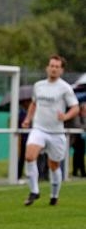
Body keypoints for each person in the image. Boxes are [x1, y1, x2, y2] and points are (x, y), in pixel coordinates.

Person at [21, 55, 79, 206]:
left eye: (57, 67)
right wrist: (28, 119)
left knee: (54, 166)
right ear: (47, 67)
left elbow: (75, 107)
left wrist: (65, 116)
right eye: (51, 65)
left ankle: (54, 195)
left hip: (56, 133)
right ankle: (34, 191)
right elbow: (34, 104)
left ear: (61, 70)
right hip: (39, 129)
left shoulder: (65, 87)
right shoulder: (39, 85)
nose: (53, 69)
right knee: (29, 156)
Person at [70, 102, 86, 177]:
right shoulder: (76, 116)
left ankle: (81, 172)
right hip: (74, 138)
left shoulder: (83, 116)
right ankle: (76, 172)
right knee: (77, 155)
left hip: (80, 139)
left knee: (80, 155)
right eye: (84, 110)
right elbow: (77, 126)